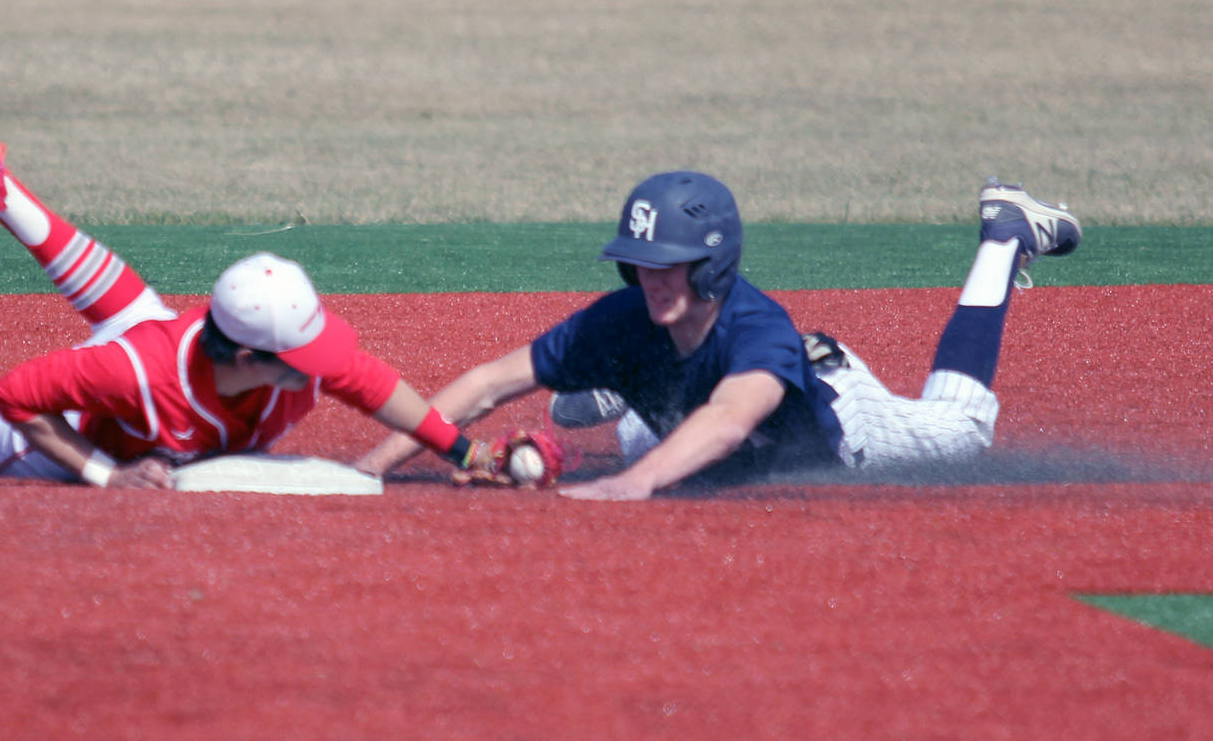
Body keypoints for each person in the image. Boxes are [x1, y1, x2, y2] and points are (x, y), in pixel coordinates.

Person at [0, 101, 491, 488]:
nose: (322, 364)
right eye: (300, 354)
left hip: (155, 346)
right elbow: (13, 395)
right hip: (75, 424)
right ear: (250, 352)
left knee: (136, 312)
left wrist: (462, 453)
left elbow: (374, 386)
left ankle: (1, 191)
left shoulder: (283, 350)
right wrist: (103, 473)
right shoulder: (139, 372)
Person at [354, 170, 1081, 499]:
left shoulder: (756, 326)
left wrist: (630, 484)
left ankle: (1006, 233)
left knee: (962, 427)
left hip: (834, 419)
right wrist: (373, 464)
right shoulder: (628, 313)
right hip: (686, 423)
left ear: (714, 261)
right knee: (661, 421)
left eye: (671, 265)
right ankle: (622, 392)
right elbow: (486, 384)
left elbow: (732, 421)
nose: (653, 279)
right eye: (640, 265)